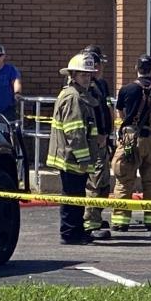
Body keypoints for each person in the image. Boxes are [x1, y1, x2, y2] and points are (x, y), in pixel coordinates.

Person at [47, 52, 100, 245]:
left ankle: (77, 230)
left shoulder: (80, 95)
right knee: (72, 196)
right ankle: (70, 233)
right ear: (73, 75)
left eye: (88, 74)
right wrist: (84, 159)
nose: (87, 78)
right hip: (72, 157)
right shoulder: (73, 98)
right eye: (83, 75)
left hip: (74, 156)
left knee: (77, 196)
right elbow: (75, 132)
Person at [111, 55, 151, 233]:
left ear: (137, 68)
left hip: (129, 140)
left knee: (124, 180)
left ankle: (121, 221)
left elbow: (120, 111)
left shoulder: (126, 89)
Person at [82, 45, 114, 239]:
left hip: (104, 140)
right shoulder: (86, 88)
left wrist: (109, 134)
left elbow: (106, 110)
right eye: (99, 63)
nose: (101, 67)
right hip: (94, 142)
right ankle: (90, 223)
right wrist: (98, 136)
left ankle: (96, 217)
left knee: (103, 183)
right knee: (94, 183)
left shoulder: (101, 85)